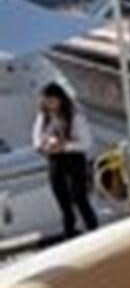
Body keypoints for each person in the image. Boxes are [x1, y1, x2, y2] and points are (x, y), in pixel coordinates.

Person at [33, 83, 98, 238]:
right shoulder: (43, 117)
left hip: (73, 158)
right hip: (55, 160)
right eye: (46, 101)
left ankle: (93, 230)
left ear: (60, 99)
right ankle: (69, 233)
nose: (49, 105)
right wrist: (42, 146)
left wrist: (65, 146)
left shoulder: (75, 116)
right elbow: (36, 138)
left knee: (80, 198)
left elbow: (86, 143)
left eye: (51, 101)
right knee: (62, 199)